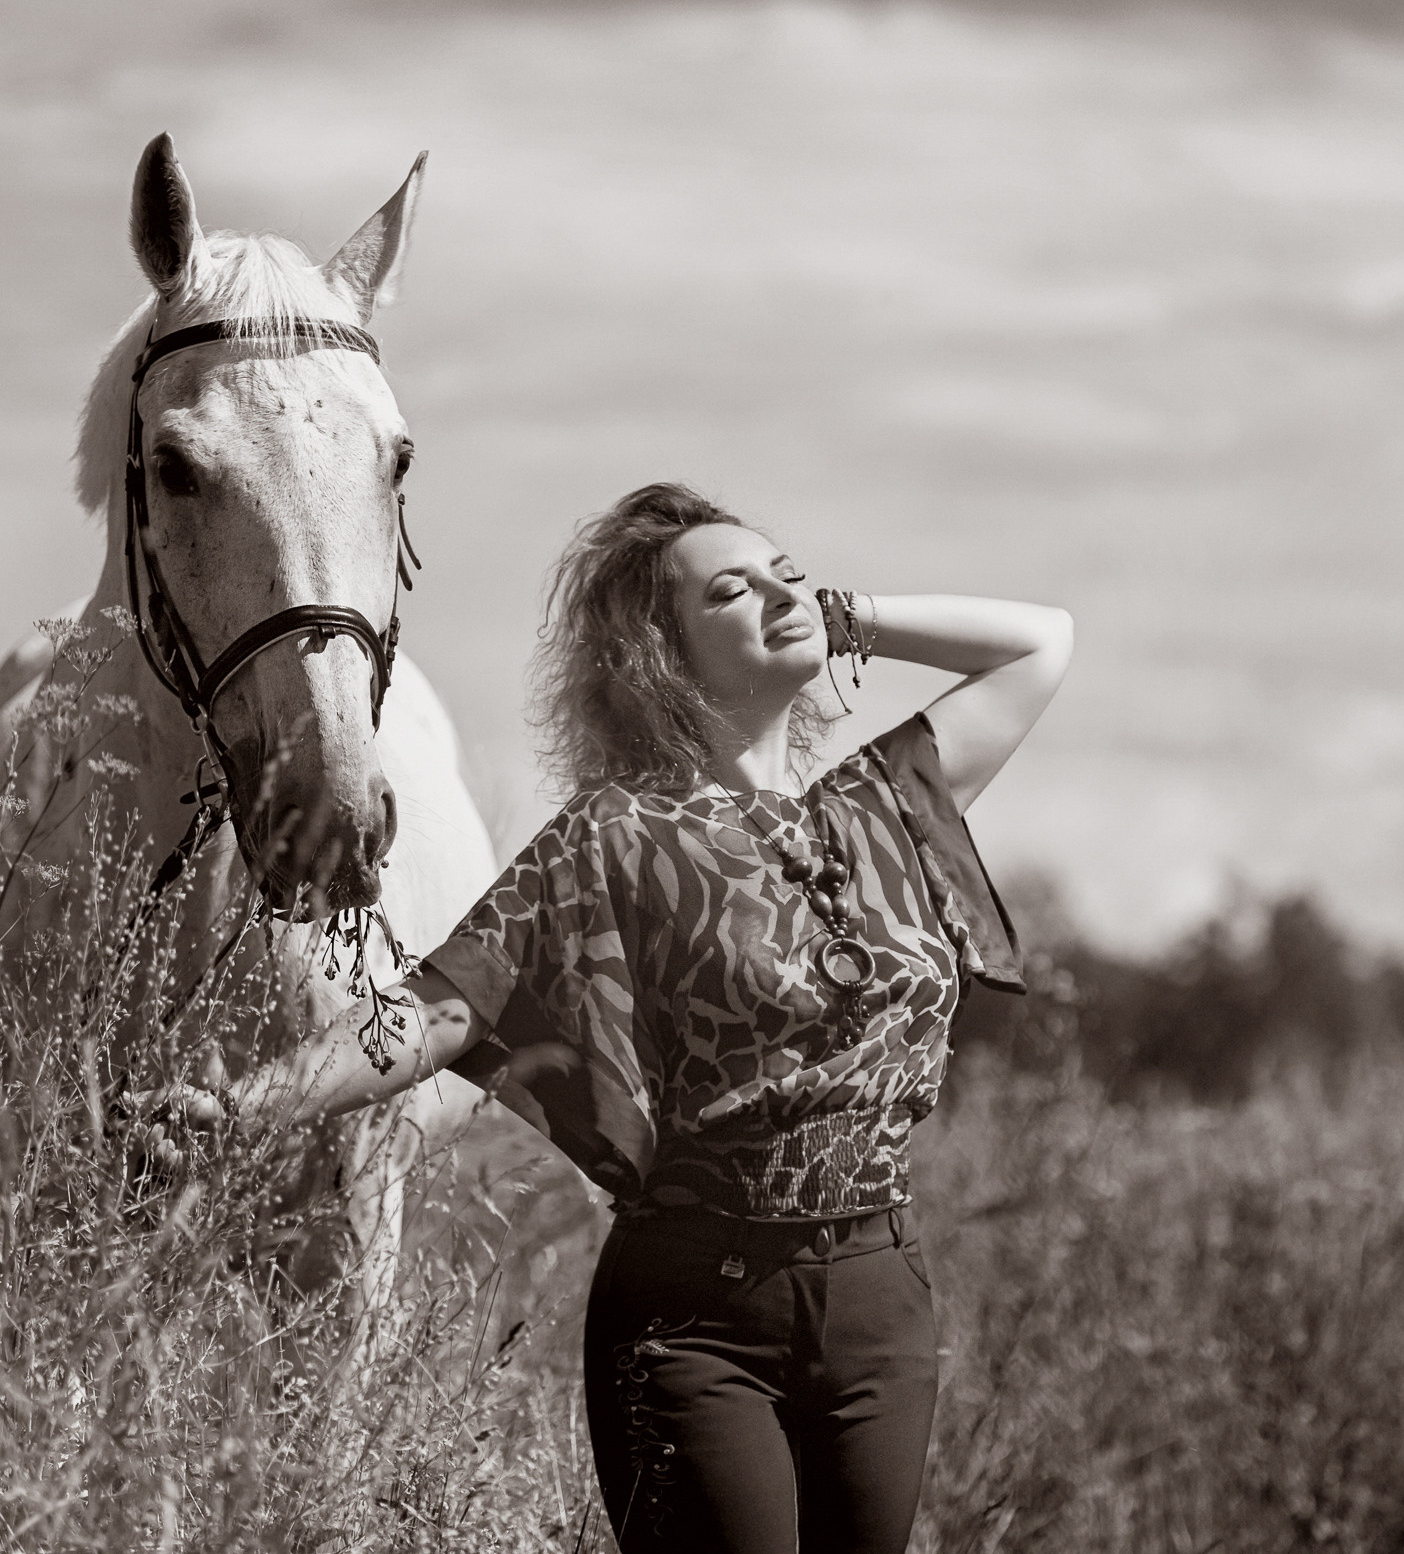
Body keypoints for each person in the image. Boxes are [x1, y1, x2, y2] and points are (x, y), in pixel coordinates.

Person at [218, 482, 1070, 1551]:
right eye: (732, 590)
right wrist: (248, 1102)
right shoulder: (614, 838)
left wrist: (840, 611)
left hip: (879, 1297)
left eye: (786, 572)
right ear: (658, 653)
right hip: (696, 1318)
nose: (777, 593)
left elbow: (1043, 642)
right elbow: (438, 1009)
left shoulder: (882, 807)